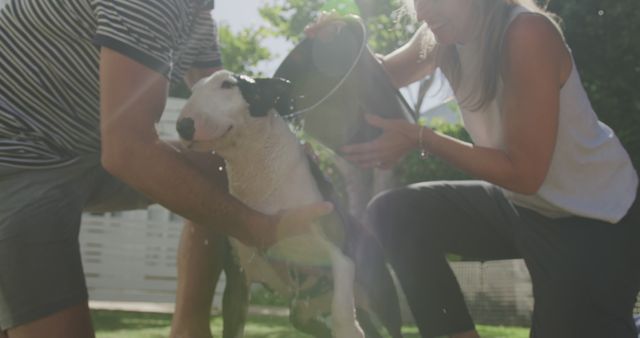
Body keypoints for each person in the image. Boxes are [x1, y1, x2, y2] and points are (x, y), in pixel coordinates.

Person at [0, 1, 332, 338]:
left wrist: (284, 153)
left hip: (84, 152)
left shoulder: (196, 14)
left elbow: (233, 116)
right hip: (15, 158)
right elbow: (128, 151)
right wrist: (260, 230)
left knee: (220, 166)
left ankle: (188, 330)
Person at [311, 0, 640, 337]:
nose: (422, 12)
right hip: (524, 207)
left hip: (593, 218)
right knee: (395, 213)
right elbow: (381, 78)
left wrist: (423, 138)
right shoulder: (440, 36)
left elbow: (526, 174)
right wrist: (340, 45)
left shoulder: (527, 34)